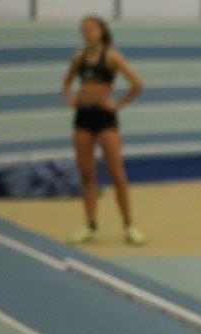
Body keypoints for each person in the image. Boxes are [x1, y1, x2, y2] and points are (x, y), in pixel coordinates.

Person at [61, 15, 146, 246]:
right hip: (83, 117)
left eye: (91, 29)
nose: (87, 33)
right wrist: (71, 99)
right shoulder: (78, 58)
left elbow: (137, 84)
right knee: (86, 173)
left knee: (116, 172)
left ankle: (129, 225)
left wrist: (117, 104)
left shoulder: (111, 57)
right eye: (84, 29)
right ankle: (91, 226)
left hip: (105, 117)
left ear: (101, 31)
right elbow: (66, 83)